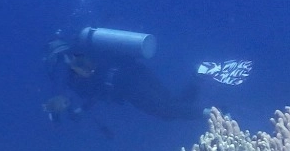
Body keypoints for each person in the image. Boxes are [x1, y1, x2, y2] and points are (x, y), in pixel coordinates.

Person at [44, 27, 204, 121]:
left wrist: (79, 110)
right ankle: (198, 76)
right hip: (135, 68)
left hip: (124, 85)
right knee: (171, 101)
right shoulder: (83, 48)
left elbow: (93, 89)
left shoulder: (64, 65)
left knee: (165, 111)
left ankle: (213, 114)